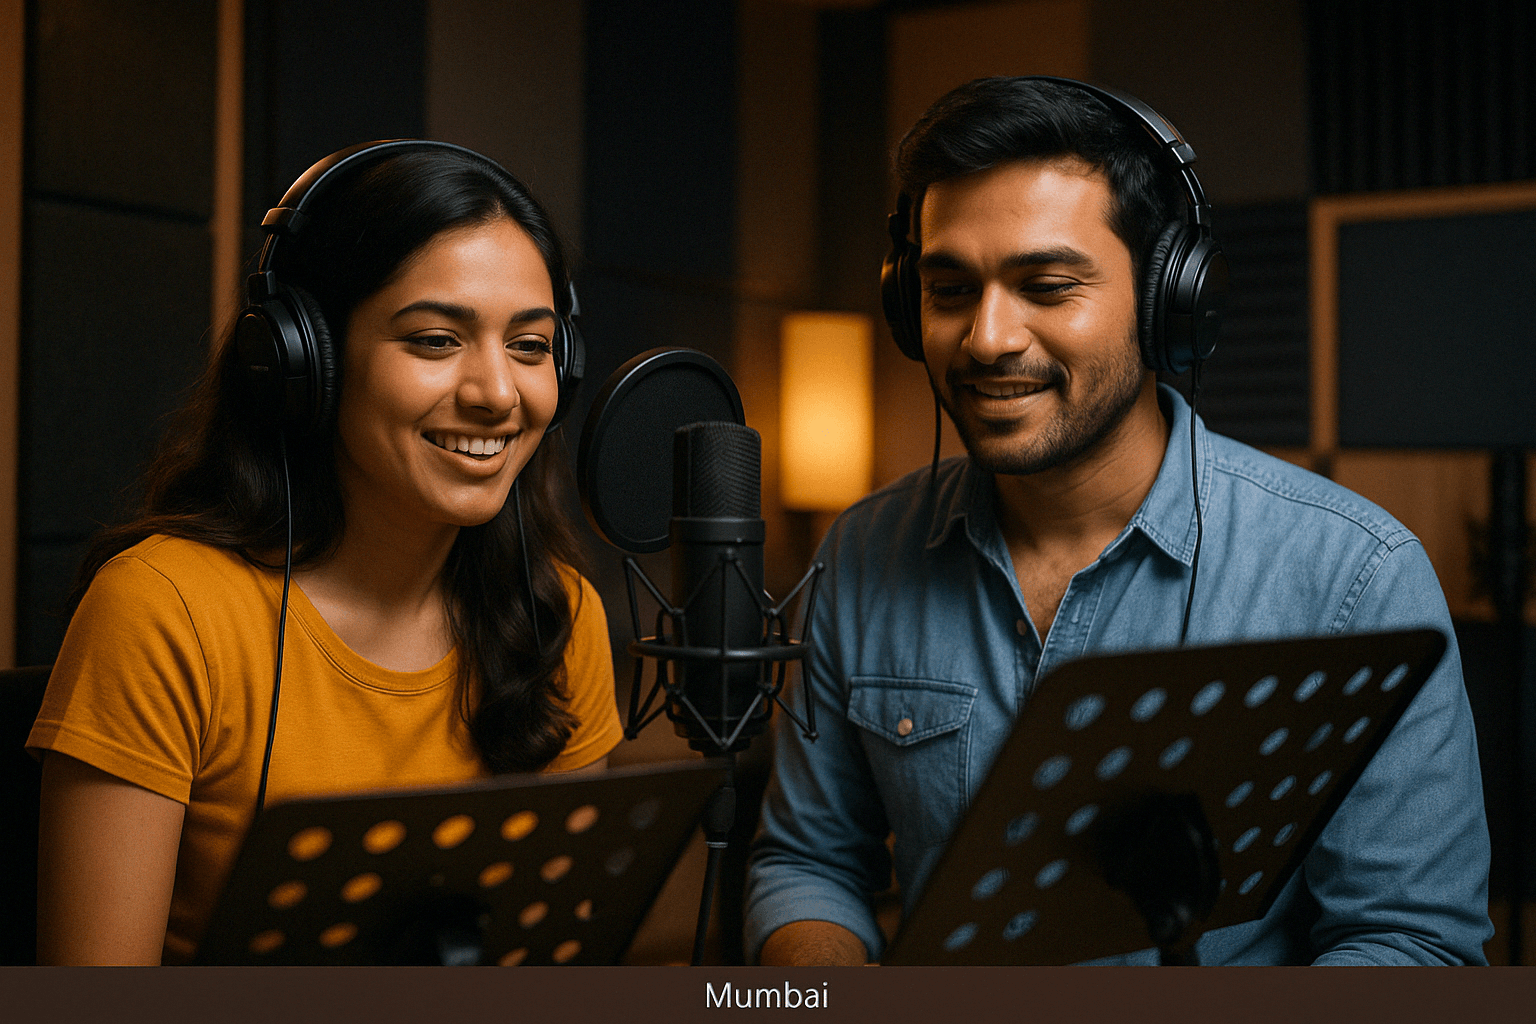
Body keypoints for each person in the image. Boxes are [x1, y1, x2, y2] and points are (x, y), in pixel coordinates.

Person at [745, 77, 1491, 966]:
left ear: (1168, 301)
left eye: (1046, 286)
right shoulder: (864, 551)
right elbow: (809, 860)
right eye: (950, 290)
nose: (987, 338)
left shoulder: (1355, 576)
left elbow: (1411, 941)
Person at [27, 141, 623, 965]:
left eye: (530, 347)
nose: (496, 394)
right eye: (435, 341)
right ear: (304, 359)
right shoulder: (162, 611)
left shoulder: (554, 611)